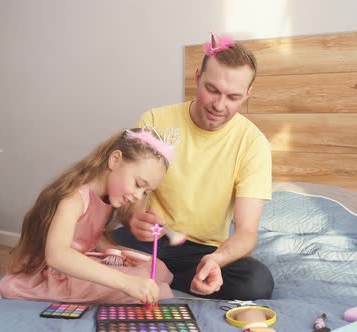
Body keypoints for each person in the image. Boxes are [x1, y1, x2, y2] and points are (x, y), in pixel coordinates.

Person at [113, 34, 274, 300]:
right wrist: (132, 217)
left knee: (257, 282)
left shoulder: (253, 143)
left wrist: (217, 261)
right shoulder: (155, 120)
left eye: (233, 97)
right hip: (149, 242)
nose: (219, 105)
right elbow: (127, 194)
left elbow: (246, 232)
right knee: (92, 250)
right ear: (197, 76)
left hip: (204, 252)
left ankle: (161, 276)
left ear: (247, 94)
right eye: (212, 90)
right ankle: (163, 275)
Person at [0, 127, 178, 304]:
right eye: (138, 184)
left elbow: (90, 237)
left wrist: (118, 255)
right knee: (141, 283)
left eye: (146, 192)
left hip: (79, 262)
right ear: (115, 160)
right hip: (52, 274)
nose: (139, 196)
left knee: (156, 267)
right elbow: (57, 255)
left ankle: (144, 285)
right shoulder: (73, 198)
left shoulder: (106, 198)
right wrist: (125, 281)